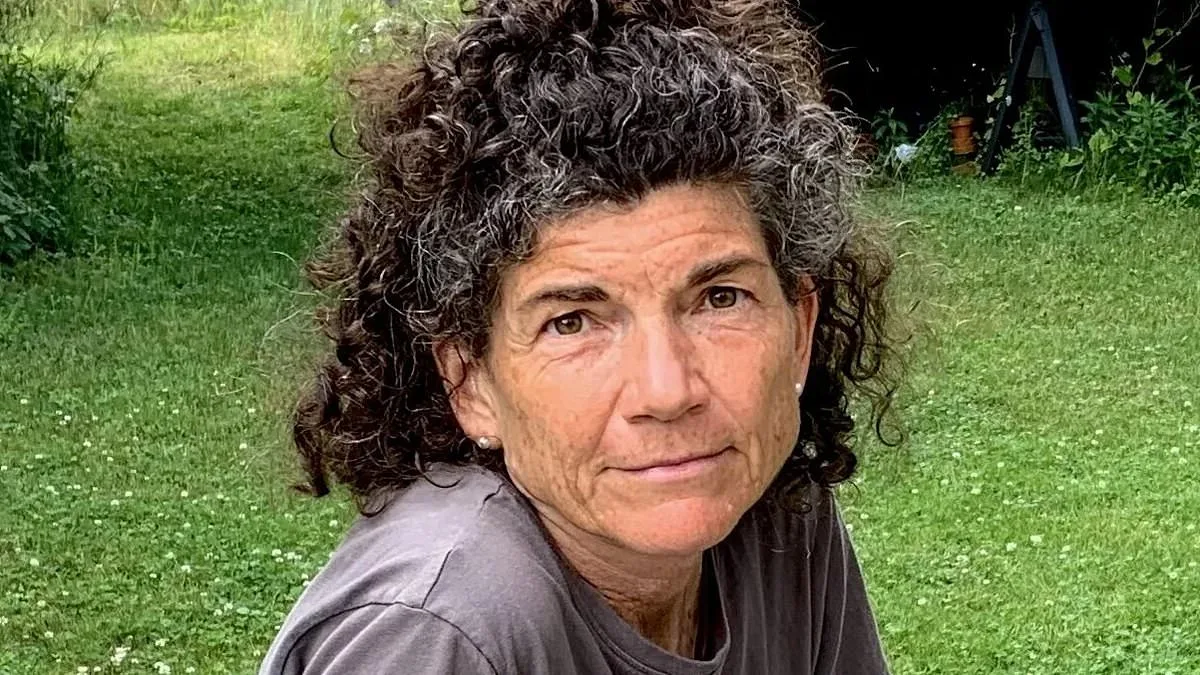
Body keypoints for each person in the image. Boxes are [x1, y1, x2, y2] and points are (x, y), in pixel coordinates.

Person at [261, 0, 901, 672]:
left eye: (720, 298)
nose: (667, 390)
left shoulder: (778, 515)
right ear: (470, 383)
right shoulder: (441, 632)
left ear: (799, 330)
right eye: (571, 322)